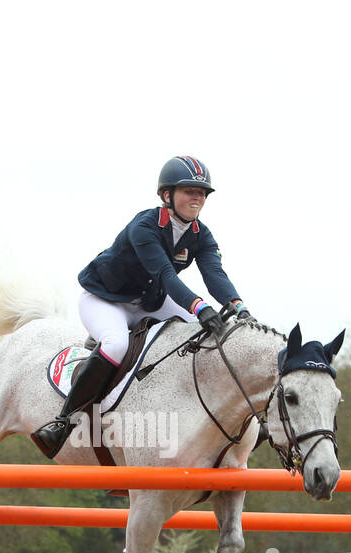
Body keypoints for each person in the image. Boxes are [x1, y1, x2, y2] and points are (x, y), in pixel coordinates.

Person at [30, 155, 252, 458]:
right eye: (189, 191)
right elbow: (164, 274)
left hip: (150, 302)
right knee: (117, 344)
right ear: (166, 195)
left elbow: (215, 274)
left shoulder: (201, 234)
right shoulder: (145, 225)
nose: (197, 198)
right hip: (106, 300)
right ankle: (63, 421)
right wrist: (200, 306)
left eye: (201, 193)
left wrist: (238, 307)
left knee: (199, 331)